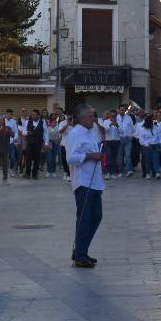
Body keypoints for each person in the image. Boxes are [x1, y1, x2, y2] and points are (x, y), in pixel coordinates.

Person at [65, 104, 104, 268]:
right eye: (90, 116)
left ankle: (82, 251)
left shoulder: (91, 133)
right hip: (83, 182)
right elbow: (71, 157)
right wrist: (90, 155)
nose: (93, 119)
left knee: (96, 217)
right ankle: (80, 255)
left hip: (95, 182)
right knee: (84, 219)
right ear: (81, 118)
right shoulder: (75, 134)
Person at [137, 114, 161, 179]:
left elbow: (159, 136)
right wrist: (147, 145)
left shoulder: (155, 127)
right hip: (146, 147)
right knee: (147, 161)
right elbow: (141, 139)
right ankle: (147, 173)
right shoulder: (142, 129)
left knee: (155, 160)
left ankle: (157, 173)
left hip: (155, 145)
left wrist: (160, 143)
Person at [24, 111, 45, 179]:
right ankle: (27, 173)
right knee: (28, 159)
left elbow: (46, 133)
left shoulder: (43, 122)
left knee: (37, 159)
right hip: (29, 143)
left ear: (38, 115)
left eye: (35, 114)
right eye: (32, 114)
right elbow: (23, 132)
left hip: (38, 143)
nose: (33, 116)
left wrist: (46, 143)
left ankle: (34, 174)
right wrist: (27, 132)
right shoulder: (28, 122)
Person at [117, 105, 135, 177]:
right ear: (118, 110)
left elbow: (132, 128)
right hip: (119, 139)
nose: (122, 111)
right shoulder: (116, 118)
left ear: (125, 110)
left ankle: (129, 170)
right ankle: (121, 171)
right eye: (121, 110)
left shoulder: (129, 117)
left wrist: (131, 135)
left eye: (123, 110)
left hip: (127, 139)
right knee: (120, 156)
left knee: (128, 155)